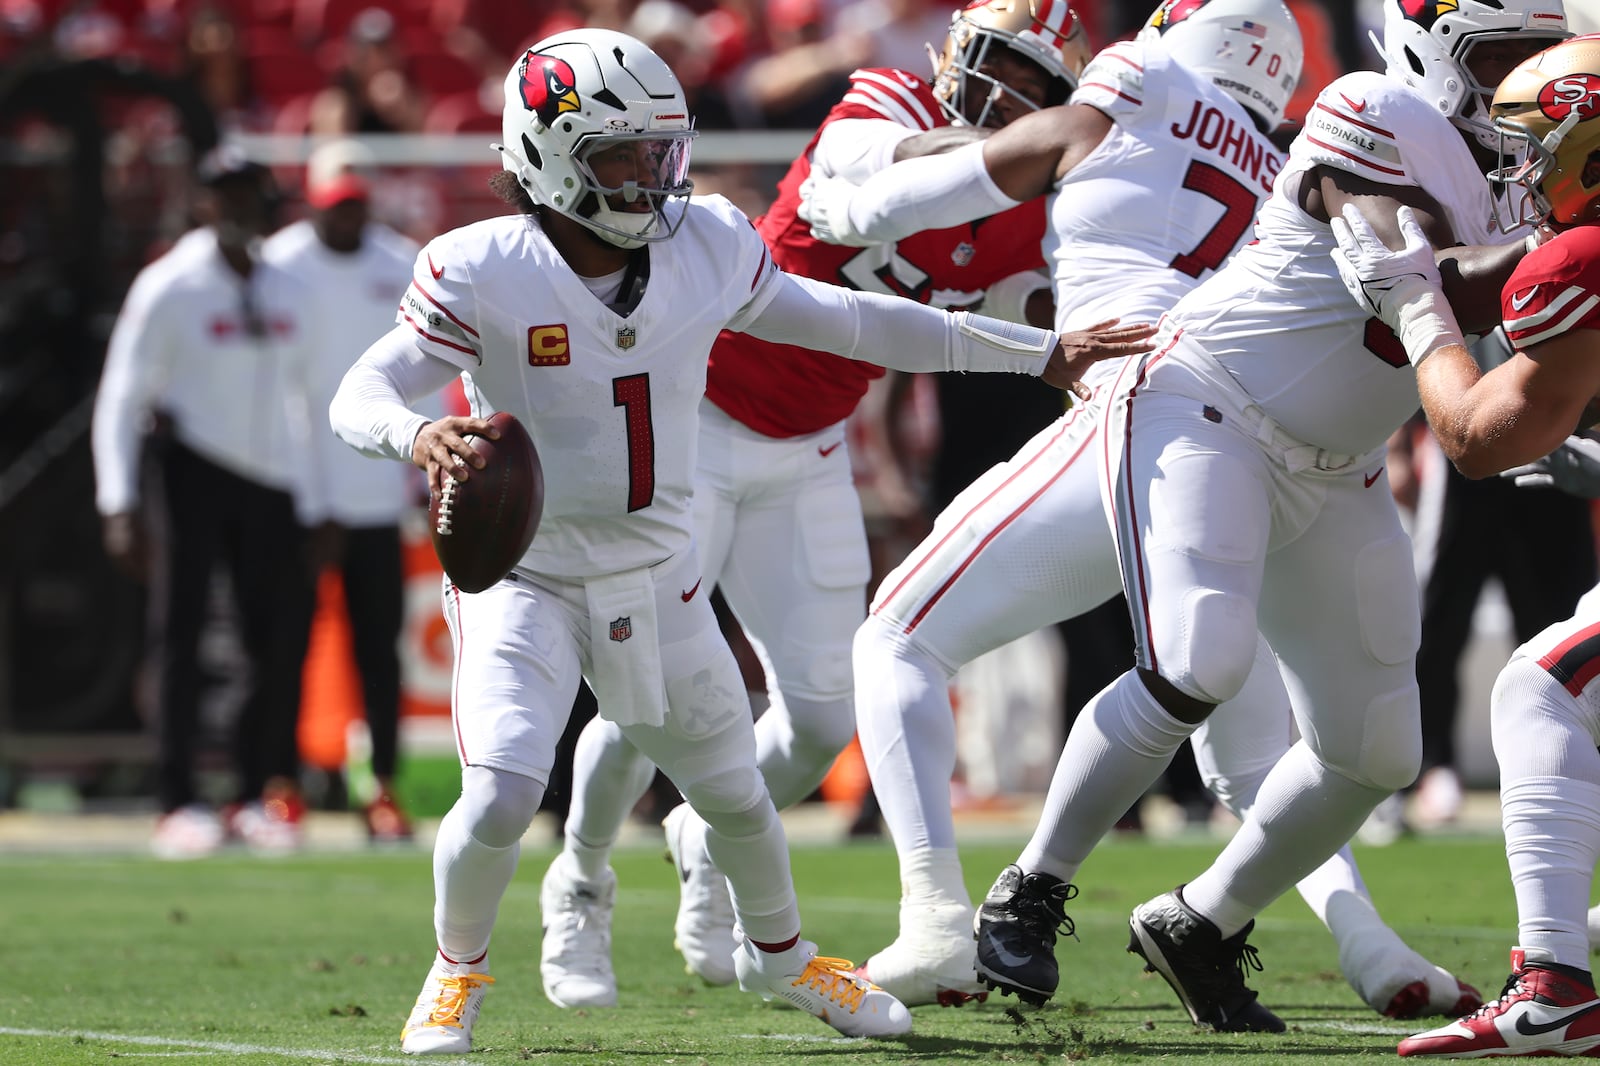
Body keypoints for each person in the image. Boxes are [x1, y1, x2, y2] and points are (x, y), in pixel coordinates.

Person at [326, 28, 1153, 1054]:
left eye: (655, 152)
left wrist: (1037, 356)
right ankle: (458, 969)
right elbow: (359, 390)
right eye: (617, 156)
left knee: (735, 793)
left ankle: (787, 956)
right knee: (499, 789)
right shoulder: (483, 266)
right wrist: (419, 433)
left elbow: (850, 321)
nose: (646, 177)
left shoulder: (705, 242)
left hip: (657, 562)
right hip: (529, 572)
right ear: (546, 157)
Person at [847, 0, 1557, 1034]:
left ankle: (1202, 916)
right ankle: (1031, 887)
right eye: (1503, 58)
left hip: (1338, 464)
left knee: (1378, 751)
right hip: (1208, 402)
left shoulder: (1526, 187)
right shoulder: (1371, 108)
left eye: (1539, 60)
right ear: (1433, 49)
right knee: (1198, 660)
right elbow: (1424, 280)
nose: (1523, 85)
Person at [534, 0, 1089, 1012]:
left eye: (1034, 85)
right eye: (997, 66)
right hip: (695, 419)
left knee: (823, 713)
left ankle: (706, 834)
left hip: (809, 448)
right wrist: (1010, 144)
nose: (1008, 93)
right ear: (959, 54)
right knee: (644, 685)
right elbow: (862, 173)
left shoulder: (1032, 212)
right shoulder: (888, 98)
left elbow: (1042, 306)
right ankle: (578, 878)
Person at [1327, 34, 1600, 1058]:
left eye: (1540, 148)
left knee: (1543, 685)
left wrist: (1410, 300)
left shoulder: (1577, 259)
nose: (1521, 173)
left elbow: (1473, 439)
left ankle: (1553, 988)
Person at [92, 146, 327, 859]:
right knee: (181, 635)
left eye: (250, 194)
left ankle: (258, 792)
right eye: (224, 195)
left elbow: (312, 400)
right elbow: (122, 395)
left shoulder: (292, 287)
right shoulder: (170, 284)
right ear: (203, 203)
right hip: (190, 467)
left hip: (275, 479)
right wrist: (118, 500)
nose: (237, 209)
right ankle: (178, 798)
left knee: (274, 642)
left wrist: (320, 499)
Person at [262, 139, 423, 843]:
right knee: (284, 643)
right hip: (300, 496)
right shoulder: (280, 266)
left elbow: (433, 370)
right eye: (337, 206)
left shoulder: (402, 262)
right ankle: (281, 782)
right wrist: (307, 496)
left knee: (379, 650)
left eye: (357, 205)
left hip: (376, 494)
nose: (348, 219)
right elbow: (279, 392)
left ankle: (381, 784)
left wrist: (417, 471)